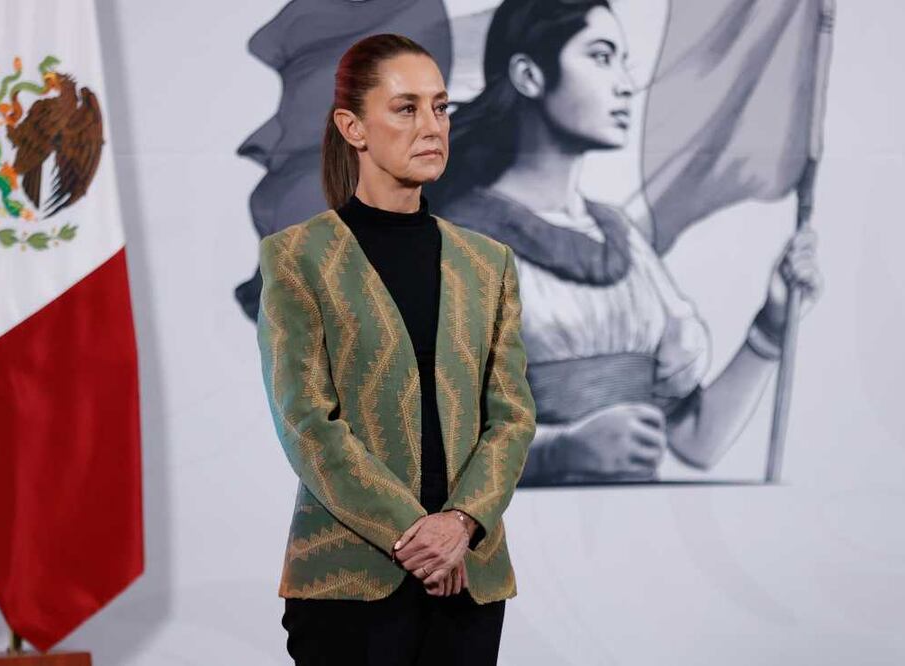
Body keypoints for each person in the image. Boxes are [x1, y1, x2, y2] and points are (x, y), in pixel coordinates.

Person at [426, 0, 823, 485]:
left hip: (635, 524)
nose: (624, 84)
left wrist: (772, 325)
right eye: (600, 57)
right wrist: (559, 452)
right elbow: (426, 446)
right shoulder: (459, 242)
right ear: (529, 75)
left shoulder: (624, 241)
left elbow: (696, 441)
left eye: (622, 61)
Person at [255, 33, 537, 665]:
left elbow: (513, 417)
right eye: (406, 108)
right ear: (352, 127)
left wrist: (460, 523)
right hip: (349, 582)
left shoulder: (489, 263)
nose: (431, 126)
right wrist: (415, 534)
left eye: (440, 107)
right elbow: (306, 423)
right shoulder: (297, 257)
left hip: (468, 578)